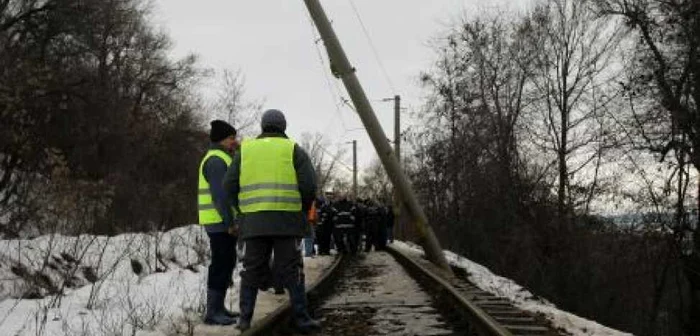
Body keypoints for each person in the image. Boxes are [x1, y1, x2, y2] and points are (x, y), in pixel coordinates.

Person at [224, 109, 320, 333]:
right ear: (283, 127)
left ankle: (245, 320)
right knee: (292, 270)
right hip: (287, 222)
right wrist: (302, 210)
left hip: (254, 223)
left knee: (251, 270)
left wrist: (243, 210)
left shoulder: (245, 150)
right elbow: (309, 186)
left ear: (263, 126)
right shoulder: (293, 149)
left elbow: (229, 185)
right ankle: (302, 320)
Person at [197, 120, 239, 325]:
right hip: (219, 221)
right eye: (232, 138)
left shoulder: (223, 157)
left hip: (221, 220)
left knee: (227, 261)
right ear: (222, 139)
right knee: (221, 264)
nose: (235, 141)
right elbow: (220, 196)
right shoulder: (216, 161)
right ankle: (213, 312)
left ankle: (219, 307)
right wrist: (229, 221)